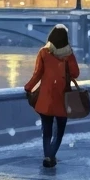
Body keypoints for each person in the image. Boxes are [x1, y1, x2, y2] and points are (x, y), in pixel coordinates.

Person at [23, 24, 80, 168]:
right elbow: (76, 74)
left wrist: (28, 87)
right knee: (59, 131)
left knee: (46, 130)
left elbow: (37, 74)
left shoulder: (44, 52)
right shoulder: (69, 54)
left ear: (51, 38)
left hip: (46, 97)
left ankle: (48, 156)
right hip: (63, 97)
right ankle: (51, 155)